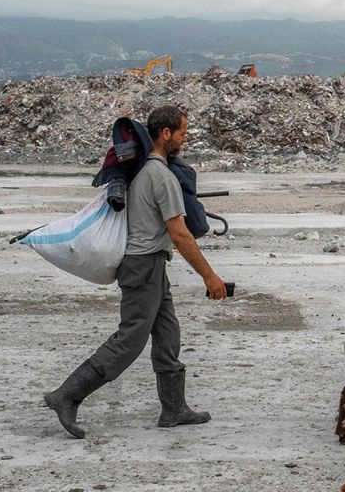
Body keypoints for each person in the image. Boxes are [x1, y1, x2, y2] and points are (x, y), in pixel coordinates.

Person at [44, 105, 228, 438]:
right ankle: (67, 395)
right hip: (143, 267)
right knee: (130, 340)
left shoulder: (142, 171)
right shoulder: (161, 177)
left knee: (168, 334)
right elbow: (180, 234)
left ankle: (174, 408)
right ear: (166, 133)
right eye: (183, 133)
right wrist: (209, 276)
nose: (185, 140)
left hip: (152, 265)